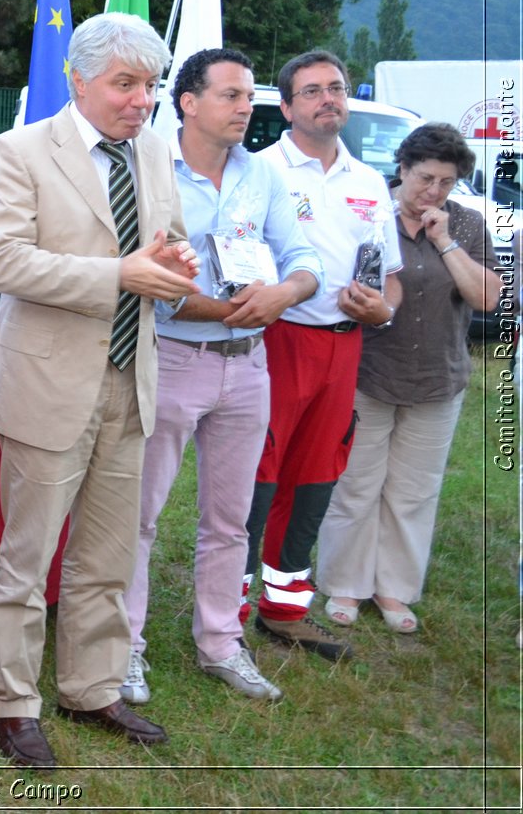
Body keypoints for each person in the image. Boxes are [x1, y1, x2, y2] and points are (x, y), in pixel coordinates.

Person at [0, 12, 198, 769]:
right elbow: (3, 262)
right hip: (46, 385)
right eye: (125, 84)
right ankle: (13, 701)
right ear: (78, 79)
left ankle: (91, 685)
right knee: (28, 558)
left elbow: (162, 237)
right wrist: (119, 275)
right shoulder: (22, 149)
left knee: (106, 554)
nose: (141, 101)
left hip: (131, 382)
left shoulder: (156, 152)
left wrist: (174, 258)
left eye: (152, 86)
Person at [123, 48, 321, 706]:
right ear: (188, 102)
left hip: (248, 366)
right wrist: (230, 305)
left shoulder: (261, 175)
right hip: (173, 356)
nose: (246, 107)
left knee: (230, 519)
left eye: (249, 96)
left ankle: (219, 643)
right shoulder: (150, 164)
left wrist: (285, 294)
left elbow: (303, 257)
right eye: (232, 95)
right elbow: (138, 272)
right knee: (138, 514)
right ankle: (123, 648)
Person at [245, 50, 402, 661]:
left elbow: (390, 279)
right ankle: (225, 610)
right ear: (286, 107)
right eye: (311, 91)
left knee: (316, 477)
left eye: (335, 88)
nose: (327, 99)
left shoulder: (367, 181)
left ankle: (284, 610)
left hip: (344, 345)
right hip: (278, 339)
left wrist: (381, 308)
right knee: (258, 474)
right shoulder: (257, 171)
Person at [317, 123, 499, 632]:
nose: (434, 192)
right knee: (356, 482)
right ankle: (346, 585)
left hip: (439, 379)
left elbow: (487, 298)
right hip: (370, 372)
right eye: (425, 178)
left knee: (414, 490)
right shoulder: (369, 213)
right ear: (402, 170)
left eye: (447, 181)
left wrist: (444, 242)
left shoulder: (465, 224)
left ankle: (394, 590)